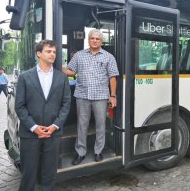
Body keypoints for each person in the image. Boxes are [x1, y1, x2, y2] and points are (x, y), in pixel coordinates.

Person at [15, 40, 71, 191]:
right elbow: (19, 106)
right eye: (48, 51)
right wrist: (34, 127)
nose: (52, 54)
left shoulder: (62, 78)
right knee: (28, 173)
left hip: (53, 134)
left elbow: (66, 105)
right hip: (30, 133)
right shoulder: (25, 77)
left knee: (50, 173)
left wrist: (54, 126)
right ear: (39, 54)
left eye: (54, 52)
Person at [62, 29, 119, 165]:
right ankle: (80, 153)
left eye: (97, 39)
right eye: (92, 38)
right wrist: (57, 65)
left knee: (100, 125)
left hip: (101, 96)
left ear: (101, 41)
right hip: (82, 96)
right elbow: (71, 72)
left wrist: (113, 96)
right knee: (82, 125)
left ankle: (98, 152)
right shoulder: (79, 56)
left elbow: (113, 78)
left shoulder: (108, 57)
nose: (94, 40)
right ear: (88, 40)